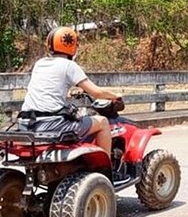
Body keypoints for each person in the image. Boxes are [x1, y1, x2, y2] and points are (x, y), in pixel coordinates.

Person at [20, 26, 121, 159]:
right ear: (71, 45)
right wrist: (115, 96)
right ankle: (105, 170)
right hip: (51, 125)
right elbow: (96, 92)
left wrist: (69, 93)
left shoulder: (40, 63)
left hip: (26, 123)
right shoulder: (69, 66)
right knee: (102, 122)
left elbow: (49, 88)